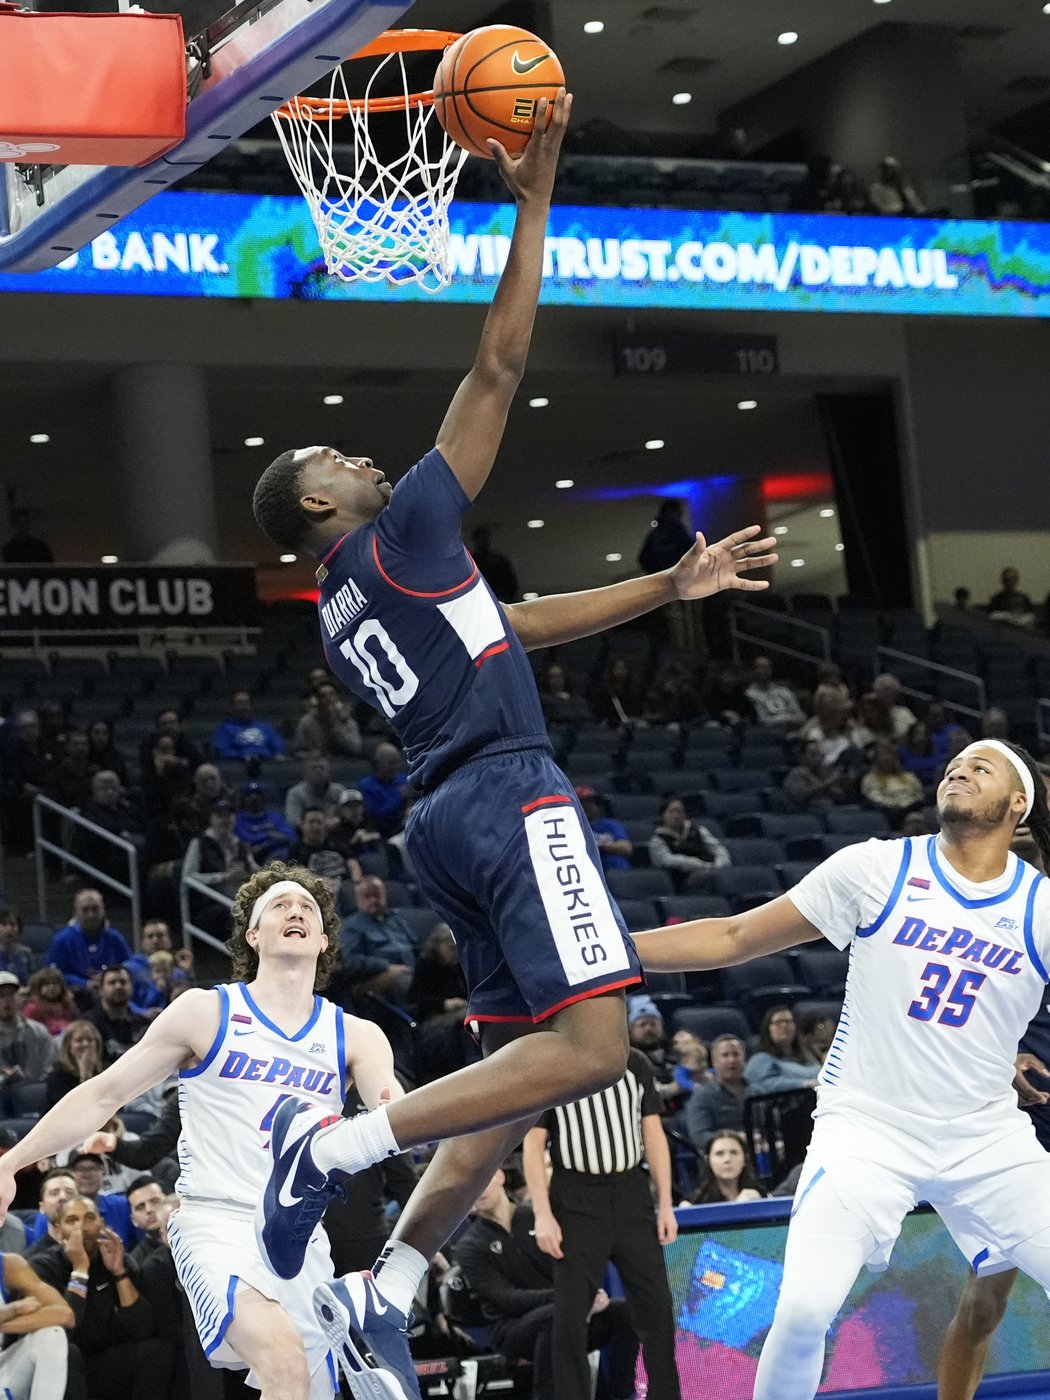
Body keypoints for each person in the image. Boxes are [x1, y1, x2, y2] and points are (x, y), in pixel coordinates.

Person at [248, 86, 774, 1397]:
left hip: (446, 820)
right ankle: (335, 1150)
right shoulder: (402, 529)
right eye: (333, 452)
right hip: (506, 796)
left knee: (515, 1082)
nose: (358, 453)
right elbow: (497, 366)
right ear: (320, 502)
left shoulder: (348, 605)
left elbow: (518, 621)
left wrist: (665, 589)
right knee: (595, 1052)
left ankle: (389, 1289)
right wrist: (530, 199)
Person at [632, 737, 1050, 1400]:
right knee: (800, 1312)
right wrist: (608, 955)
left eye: (981, 765)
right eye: (953, 763)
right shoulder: (876, 869)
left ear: (1018, 803)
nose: (959, 769)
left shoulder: (1040, 909)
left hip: (987, 1140)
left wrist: (1014, 1057)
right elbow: (736, 936)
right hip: (866, 1131)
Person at [0, 862, 414, 1400]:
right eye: (280, 906)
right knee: (283, 1361)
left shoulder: (357, 1035)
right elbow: (103, 1094)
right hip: (217, 1224)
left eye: (307, 908)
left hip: (303, 1239)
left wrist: (398, 1111)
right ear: (253, 935)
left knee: (301, 1390)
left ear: (323, 939)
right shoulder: (207, 1012)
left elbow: (392, 1107)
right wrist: (12, 1162)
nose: (296, 911)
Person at [522, 1050, 681, 1400]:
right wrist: (542, 1213)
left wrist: (665, 1204)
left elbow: (653, 1135)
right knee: (571, 1317)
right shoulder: (554, 1064)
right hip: (575, 1195)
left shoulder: (635, 1063)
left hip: (631, 1192)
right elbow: (533, 1145)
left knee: (656, 1309)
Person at [453, 1167, 639, 1400]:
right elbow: (506, 1300)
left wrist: (588, 1291)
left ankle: (622, 1394)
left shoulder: (542, 1219)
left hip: (567, 1312)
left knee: (625, 1311)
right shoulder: (469, 1247)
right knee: (556, 1317)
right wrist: (570, 1297)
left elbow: (576, 1264)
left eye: (483, 1179)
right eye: (468, 1189)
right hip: (513, 1330)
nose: (478, 1191)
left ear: (499, 1176)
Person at [30, 1193, 170, 1400]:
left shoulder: (118, 1260)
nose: (82, 1228)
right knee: (68, 1353)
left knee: (158, 1351)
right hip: (60, 1368)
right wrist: (80, 1269)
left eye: (89, 1218)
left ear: (102, 1224)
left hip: (103, 1363)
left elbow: (143, 1330)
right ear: (58, 1231)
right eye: (71, 1221)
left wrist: (119, 1272)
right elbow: (61, 1334)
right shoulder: (43, 1268)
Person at [0, 1246, 73, 1399]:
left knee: (53, 1335)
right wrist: (12, 1310)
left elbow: (65, 1314)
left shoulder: (9, 1265)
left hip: (3, 1369)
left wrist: (3, 1322)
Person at [47, 889, 133, 993]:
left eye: (95, 909)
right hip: (76, 994)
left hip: (112, 992)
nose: (91, 915)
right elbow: (52, 974)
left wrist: (110, 977)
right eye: (85, 910)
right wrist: (84, 983)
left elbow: (130, 966)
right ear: (76, 912)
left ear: (103, 910)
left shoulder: (114, 937)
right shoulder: (62, 940)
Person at [0, 972, 55, 1114]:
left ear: (20, 998)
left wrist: (30, 1082)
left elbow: (50, 1068)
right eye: (1, 995)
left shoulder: (38, 1031)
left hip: (36, 1098)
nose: (6, 1001)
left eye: (11, 995)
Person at [648, 795, 730, 890]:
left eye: (680, 812)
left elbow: (717, 847)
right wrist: (699, 865)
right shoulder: (657, 840)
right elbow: (667, 860)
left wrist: (719, 864)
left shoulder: (698, 831)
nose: (676, 816)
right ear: (663, 815)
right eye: (672, 812)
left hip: (713, 868)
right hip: (684, 880)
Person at [684, 1034, 749, 1149]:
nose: (732, 1060)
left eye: (736, 1054)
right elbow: (700, 1136)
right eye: (725, 1055)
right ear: (714, 1062)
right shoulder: (701, 1097)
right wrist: (734, 1139)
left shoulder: (757, 1091)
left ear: (744, 1059)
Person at [744, 1006, 818, 1094]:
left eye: (788, 1021)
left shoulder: (808, 1058)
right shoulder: (760, 1060)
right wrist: (803, 1085)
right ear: (768, 1029)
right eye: (778, 1022)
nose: (784, 1025)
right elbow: (764, 1085)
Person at [86, 966, 149, 1065]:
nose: (118, 986)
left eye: (123, 982)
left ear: (132, 987)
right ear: (101, 989)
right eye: (112, 982)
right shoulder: (88, 1024)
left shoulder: (144, 1024)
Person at [687, 1130, 765, 1205]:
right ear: (708, 1161)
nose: (727, 1159)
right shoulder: (693, 1203)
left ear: (745, 1158)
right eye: (719, 1153)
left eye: (734, 1153)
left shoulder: (759, 1195)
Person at [210, 691, 287, 763]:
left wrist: (276, 754)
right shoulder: (225, 729)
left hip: (267, 765)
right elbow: (223, 751)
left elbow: (279, 746)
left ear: (252, 706)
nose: (244, 707)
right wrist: (244, 755)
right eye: (239, 703)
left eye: (247, 703)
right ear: (232, 707)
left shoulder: (266, 727)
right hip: (238, 766)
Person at [292, 682, 363, 758]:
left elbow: (356, 749)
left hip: (342, 764)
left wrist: (337, 725)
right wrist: (311, 755)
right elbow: (298, 752)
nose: (328, 699)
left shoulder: (347, 721)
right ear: (317, 699)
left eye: (331, 694)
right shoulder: (306, 722)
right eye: (323, 696)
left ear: (337, 697)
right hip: (317, 763)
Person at [45, 1021, 104, 1111]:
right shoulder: (57, 1076)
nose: (86, 1044)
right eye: (79, 1040)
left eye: (90, 1039)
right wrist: (85, 1076)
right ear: (68, 1046)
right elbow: (70, 1111)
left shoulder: (104, 1073)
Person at [860, 740, 925, 819]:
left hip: (912, 808)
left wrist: (909, 803)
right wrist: (897, 805)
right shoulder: (870, 779)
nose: (888, 758)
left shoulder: (909, 776)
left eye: (891, 755)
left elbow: (919, 794)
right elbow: (876, 798)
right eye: (883, 755)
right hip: (889, 813)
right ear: (876, 759)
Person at [236, 781, 297, 865]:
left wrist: (263, 843)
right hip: (253, 859)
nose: (254, 798)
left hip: (281, 854)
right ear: (243, 799)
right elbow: (246, 840)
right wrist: (269, 835)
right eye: (249, 795)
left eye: (258, 794)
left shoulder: (276, 817)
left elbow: (291, 836)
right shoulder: (237, 820)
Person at [357, 744, 410, 840]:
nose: (396, 767)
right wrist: (400, 796)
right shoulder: (367, 785)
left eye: (398, 762)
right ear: (378, 763)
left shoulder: (403, 779)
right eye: (391, 763)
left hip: (406, 828)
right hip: (382, 833)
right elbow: (377, 814)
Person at [574, 785, 632, 872]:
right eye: (583, 803)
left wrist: (601, 847)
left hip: (618, 872)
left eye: (591, 803)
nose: (587, 807)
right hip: (589, 873)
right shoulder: (573, 827)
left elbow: (626, 848)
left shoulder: (611, 824)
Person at [284, 753, 344, 832]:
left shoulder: (339, 790)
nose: (318, 771)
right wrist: (315, 826)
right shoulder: (295, 793)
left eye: (322, 768)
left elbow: (349, 816)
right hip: (305, 836)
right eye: (313, 768)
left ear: (329, 771)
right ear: (305, 772)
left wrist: (337, 820)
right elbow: (292, 821)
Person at [24, 1168, 77, 1257]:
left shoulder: (100, 1251)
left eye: (70, 1192)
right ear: (42, 1207)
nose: (63, 1197)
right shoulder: (31, 1259)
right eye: (54, 1193)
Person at [746, 655, 805, 733]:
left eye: (767, 667)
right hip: (768, 733)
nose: (764, 671)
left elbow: (798, 713)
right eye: (760, 667)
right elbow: (762, 720)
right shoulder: (750, 694)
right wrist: (786, 718)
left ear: (771, 670)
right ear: (753, 670)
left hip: (792, 729)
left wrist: (797, 717)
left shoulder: (783, 690)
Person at [469, 525, 519, 603]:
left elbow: (511, 585)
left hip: (500, 599)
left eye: (485, 537)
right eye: (481, 538)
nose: (483, 540)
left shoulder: (499, 560)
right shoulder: (471, 562)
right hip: (479, 601)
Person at [22, 968, 78, 1037]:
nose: (52, 987)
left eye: (55, 984)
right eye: (46, 984)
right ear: (39, 987)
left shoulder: (68, 1005)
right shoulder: (33, 1008)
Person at [0, 908, 34, 987]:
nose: (9, 929)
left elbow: (33, 979)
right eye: (4, 925)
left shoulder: (26, 953)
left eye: (12, 925)